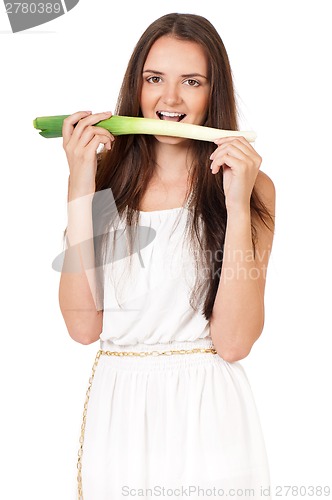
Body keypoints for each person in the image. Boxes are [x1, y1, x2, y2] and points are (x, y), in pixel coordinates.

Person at [59, 12, 275, 500]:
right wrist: (79, 182)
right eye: (154, 79)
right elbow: (82, 327)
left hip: (210, 418)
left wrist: (238, 204)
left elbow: (235, 341)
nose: (170, 99)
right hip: (119, 420)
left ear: (213, 92)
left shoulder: (250, 187)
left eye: (191, 82)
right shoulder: (102, 186)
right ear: (136, 87)